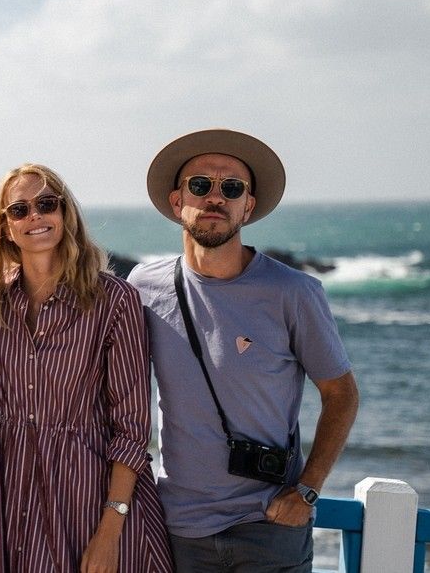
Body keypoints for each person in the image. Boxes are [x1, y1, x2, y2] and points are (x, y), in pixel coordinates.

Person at [127, 129, 360, 571]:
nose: (215, 197)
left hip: (269, 525)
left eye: (231, 188)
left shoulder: (294, 292)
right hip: (180, 529)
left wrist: (308, 491)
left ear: (247, 206)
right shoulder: (142, 286)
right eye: (201, 185)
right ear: (178, 201)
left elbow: (342, 394)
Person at [0, 164, 172, 572]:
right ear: (5, 228)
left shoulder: (114, 300)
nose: (35, 217)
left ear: (65, 215)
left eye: (47, 204)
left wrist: (109, 532)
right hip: (17, 504)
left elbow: (133, 429)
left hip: (96, 502)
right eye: (19, 210)